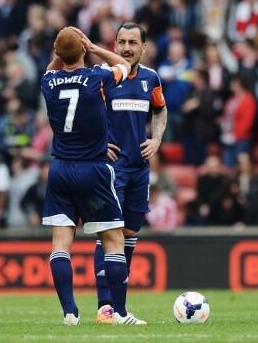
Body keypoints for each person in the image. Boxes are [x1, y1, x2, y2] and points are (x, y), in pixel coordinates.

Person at [40, 26, 146, 326]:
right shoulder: (96, 78)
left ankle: (70, 313)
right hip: (93, 169)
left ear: (57, 54)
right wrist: (94, 47)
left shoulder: (48, 80)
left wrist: (63, 50)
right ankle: (121, 314)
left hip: (60, 169)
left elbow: (53, 65)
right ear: (83, 50)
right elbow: (124, 65)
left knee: (61, 244)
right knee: (113, 241)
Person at [93, 22, 167, 324]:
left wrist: (157, 138)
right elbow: (86, 112)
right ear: (114, 45)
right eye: (121, 42)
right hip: (111, 169)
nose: (126, 48)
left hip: (139, 169)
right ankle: (106, 307)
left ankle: (118, 301)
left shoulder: (152, 78)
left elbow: (161, 110)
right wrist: (98, 145)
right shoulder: (104, 78)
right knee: (109, 234)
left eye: (132, 42)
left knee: (130, 234)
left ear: (143, 47)